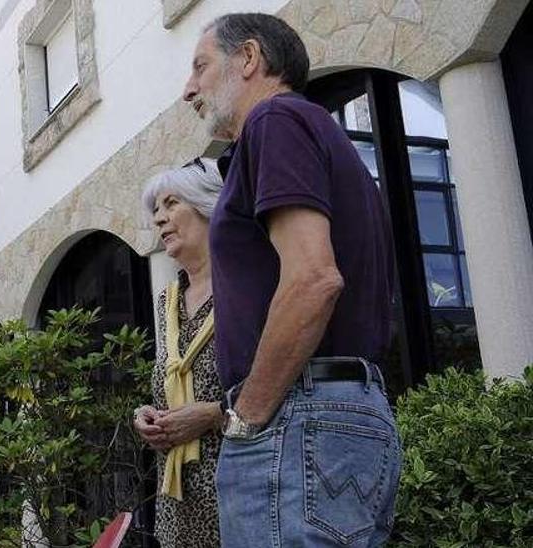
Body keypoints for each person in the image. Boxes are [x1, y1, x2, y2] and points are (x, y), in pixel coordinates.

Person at [183, 13, 402, 547]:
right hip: (345, 417)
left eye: (200, 66)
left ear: (250, 58)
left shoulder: (273, 121)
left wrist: (247, 415)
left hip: (297, 421)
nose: (188, 88)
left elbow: (314, 279)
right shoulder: (314, 133)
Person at [133, 158, 225, 548]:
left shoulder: (245, 286)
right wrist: (146, 417)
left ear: (208, 207)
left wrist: (213, 415)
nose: (159, 219)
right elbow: (165, 386)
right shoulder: (166, 302)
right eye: (156, 210)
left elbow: (283, 385)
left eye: (171, 204)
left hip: (236, 492)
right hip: (177, 507)